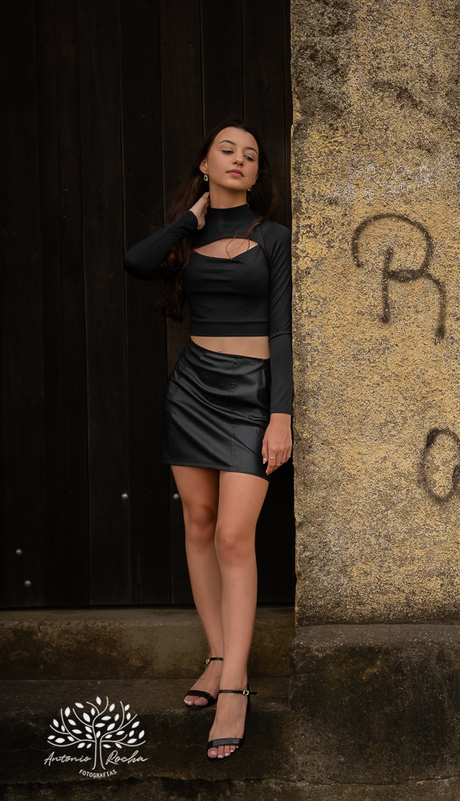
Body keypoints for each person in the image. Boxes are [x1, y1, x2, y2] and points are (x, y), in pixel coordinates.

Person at [123, 119, 291, 762]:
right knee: (198, 522)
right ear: (204, 163)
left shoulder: (272, 237)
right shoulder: (186, 239)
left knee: (231, 535)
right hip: (192, 388)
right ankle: (218, 655)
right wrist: (190, 218)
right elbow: (136, 263)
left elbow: (282, 333)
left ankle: (236, 685)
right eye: (227, 149)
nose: (240, 160)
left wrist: (281, 415)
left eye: (251, 155)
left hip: (251, 396)